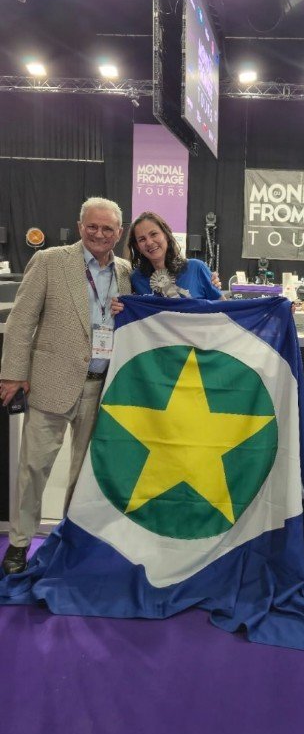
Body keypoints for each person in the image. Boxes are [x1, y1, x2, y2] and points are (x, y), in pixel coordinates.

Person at [0, 197, 131, 575]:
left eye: (108, 229)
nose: (99, 234)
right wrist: (12, 373)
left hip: (101, 388)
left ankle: (71, 540)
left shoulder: (125, 272)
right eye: (93, 226)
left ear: (118, 233)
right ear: (79, 227)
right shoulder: (49, 261)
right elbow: (22, 321)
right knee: (34, 469)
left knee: (85, 475)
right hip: (51, 383)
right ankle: (19, 543)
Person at [123, 211, 223, 301]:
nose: (149, 242)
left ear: (166, 235)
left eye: (153, 234)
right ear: (138, 246)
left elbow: (223, 308)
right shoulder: (136, 279)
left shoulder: (196, 268)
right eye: (142, 239)